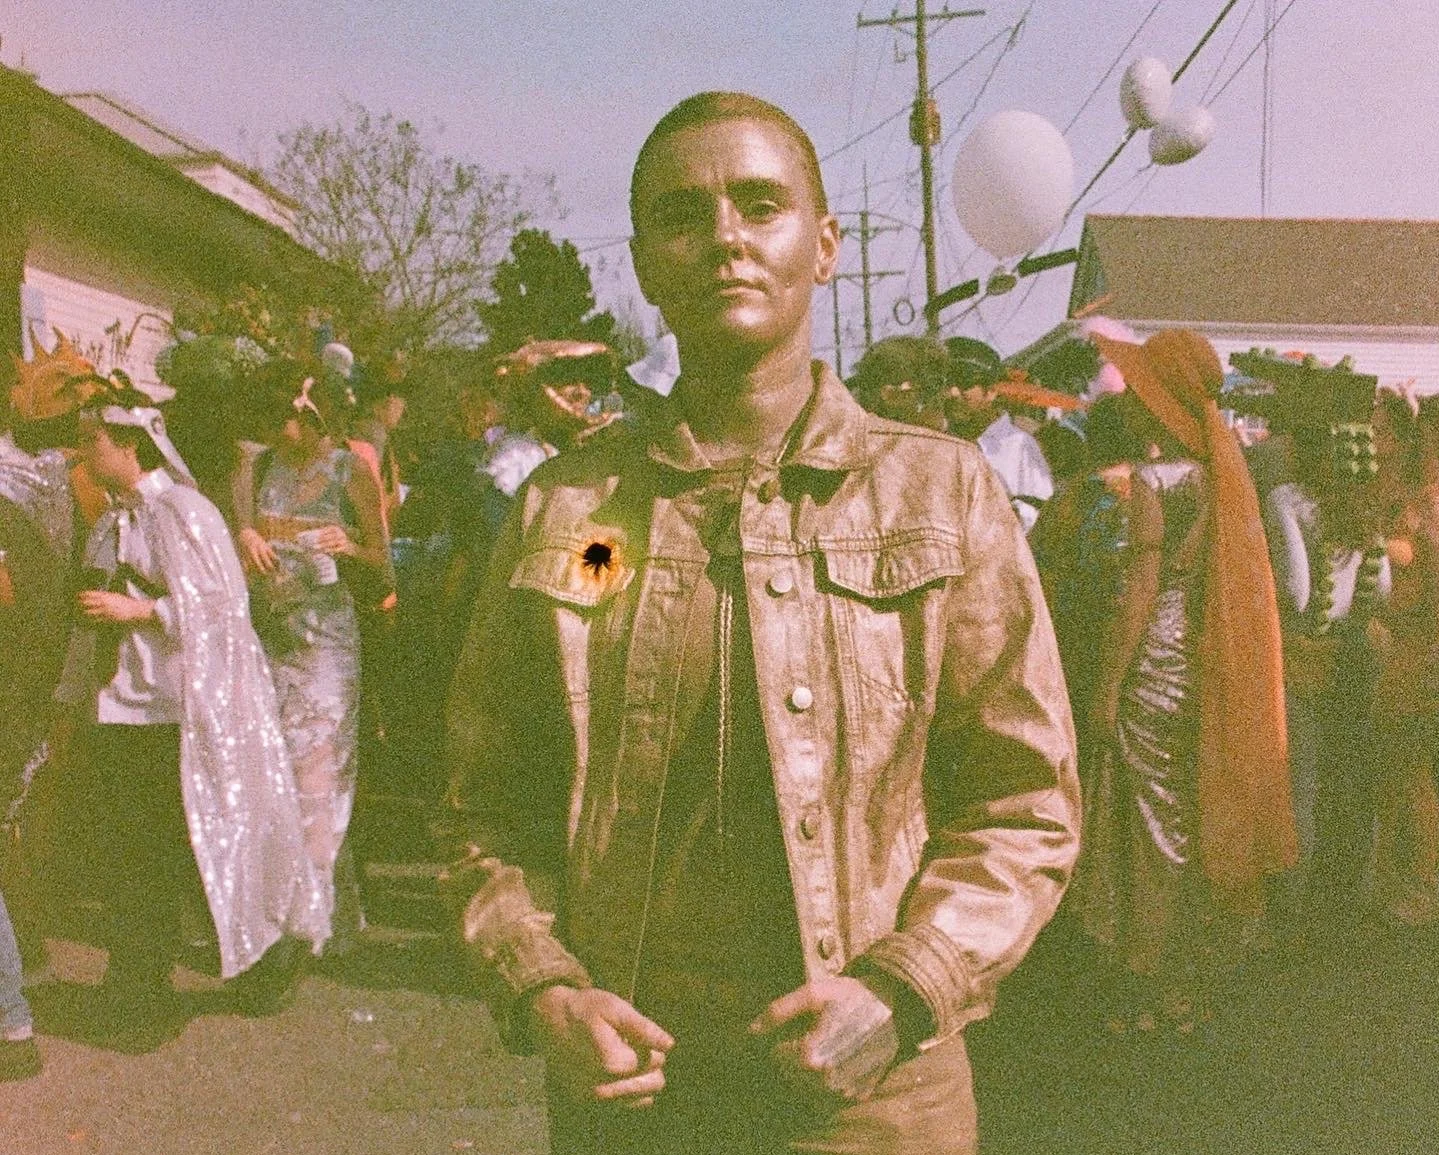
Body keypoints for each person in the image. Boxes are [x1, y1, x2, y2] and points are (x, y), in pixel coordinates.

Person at [444, 91, 1080, 1155]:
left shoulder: (940, 495)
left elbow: (1024, 804)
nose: (725, 238)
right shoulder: (573, 512)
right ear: (645, 264)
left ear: (822, 245)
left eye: (759, 205)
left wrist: (902, 988)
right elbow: (486, 809)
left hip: (877, 1096)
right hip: (632, 1085)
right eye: (684, 216)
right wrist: (545, 989)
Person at [50, 374, 328, 1047]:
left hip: (178, 713)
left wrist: (142, 609)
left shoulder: (184, 511)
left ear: (129, 445)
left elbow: (223, 607)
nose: (85, 453)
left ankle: (265, 958)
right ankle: (136, 984)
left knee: (203, 841)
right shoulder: (112, 519)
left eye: (95, 442)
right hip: (120, 708)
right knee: (133, 853)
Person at [1081, 331, 1297, 1031]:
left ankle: (1150, 979)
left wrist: (1106, 685)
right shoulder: (1219, 474)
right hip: (1207, 661)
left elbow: (1139, 592)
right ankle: (1188, 981)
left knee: (1152, 825)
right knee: (1192, 810)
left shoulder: (1154, 481)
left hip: (1155, 660)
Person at [232, 363, 391, 937]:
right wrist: (246, 534)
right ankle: (294, 904)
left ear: (315, 415)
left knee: (319, 778)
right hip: (270, 636)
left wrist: (349, 544)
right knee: (272, 770)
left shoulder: (349, 470)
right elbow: (237, 531)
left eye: (289, 418)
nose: (280, 429)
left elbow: (383, 567)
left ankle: (312, 916)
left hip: (324, 647)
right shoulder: (261, 464)